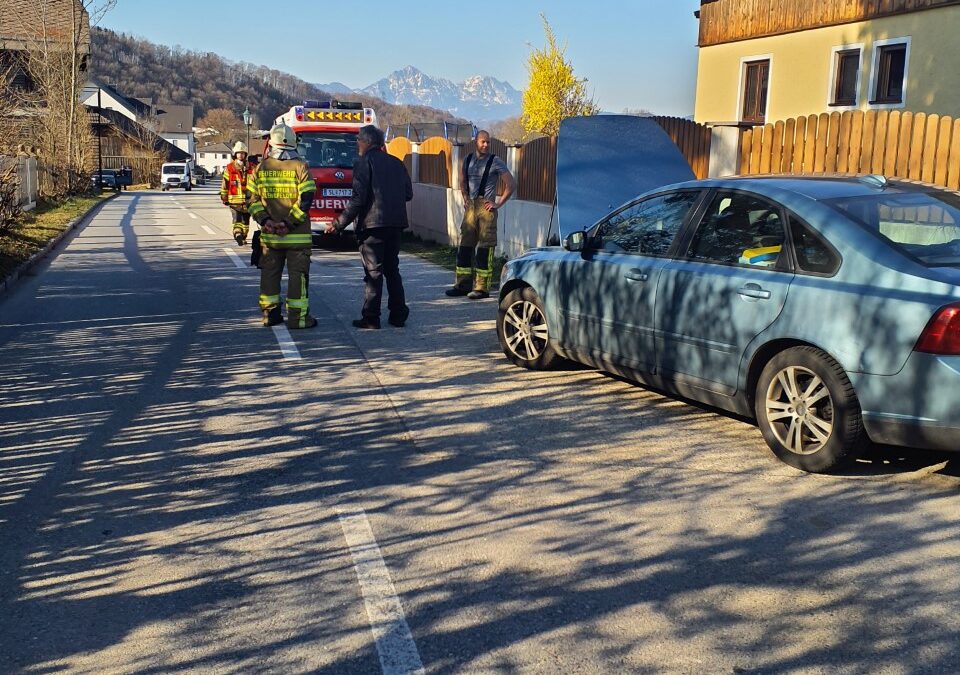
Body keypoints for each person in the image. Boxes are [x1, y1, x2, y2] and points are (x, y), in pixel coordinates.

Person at [326, 125, 412, 330]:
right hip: (396, 224)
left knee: (374, 273)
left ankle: (371, 317)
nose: (357, 144)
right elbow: (408, 194)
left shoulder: (363, 163)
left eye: (358, 141)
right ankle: (398, 315)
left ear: (367, 142)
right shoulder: (397, 163)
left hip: (372, 226)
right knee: (392, 270)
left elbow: (358, 199)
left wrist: (338, 224)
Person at [247, 123, 318, 329]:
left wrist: (266, 222)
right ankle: (298, 319)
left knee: (269, 274)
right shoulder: (301, 167)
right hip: (297, 237)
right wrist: (288, 224)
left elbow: (251, 200)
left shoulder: (261, 168)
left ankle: (270, 315)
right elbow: (306, 199)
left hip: (270, 237)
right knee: (298, 277)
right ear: (294, 144)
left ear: (271, 144)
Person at [445, 130, 515, 299]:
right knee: (465, 246)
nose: (486, 145)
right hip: (471, 207)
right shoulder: (468, 159)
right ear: (476, 142)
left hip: (486, 208)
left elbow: (511, 184)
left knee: (485, 248)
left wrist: (498, 203)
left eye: (488, 142)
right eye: (483, 141)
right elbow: (462, 181)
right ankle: (462, 285)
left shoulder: (495, 161)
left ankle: (482, 288)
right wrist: (465, 197)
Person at [220, 142, 254, 246]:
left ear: (246, 154)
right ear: (235, 154)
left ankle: (243, 236)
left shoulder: (252, 168)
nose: (241, 155)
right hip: (234, 201)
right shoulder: (229, 168)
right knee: (237, 220)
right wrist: (224, 198)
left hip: (248, 201)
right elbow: (224, 184)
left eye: (243, 153)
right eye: (239, 153)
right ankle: (238, 234)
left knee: (246, 222)